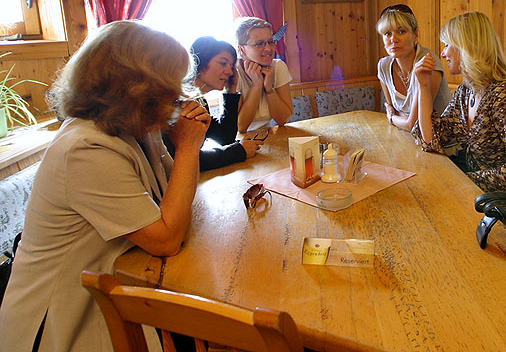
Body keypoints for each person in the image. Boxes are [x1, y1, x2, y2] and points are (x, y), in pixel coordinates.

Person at [0, 21, 210, 351]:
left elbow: (177, 189)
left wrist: (185, 145)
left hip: (116, 288)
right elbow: (166, 239)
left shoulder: (137, 127)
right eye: (170, 83)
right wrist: (187, 147)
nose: (180, 95)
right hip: (65, 318)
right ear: (138, 87)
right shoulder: (84, 148)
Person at [413, 11, 506, 193]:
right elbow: (432, 139)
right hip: (476, 192)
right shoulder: (466, 91)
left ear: (466, 47)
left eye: (448, 44)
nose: (442, 53)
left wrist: (461, 179)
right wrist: (423, 87)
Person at [164, 36, 262, 171]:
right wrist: (239, 151)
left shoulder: (198, 99)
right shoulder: (178, 100)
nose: (229, 72)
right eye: (223, 63)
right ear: (200, 61)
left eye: (231, 66)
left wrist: (230, 91)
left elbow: (225, 137)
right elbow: (184, 159)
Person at [376, 4, 451, 131]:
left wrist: (391, 118)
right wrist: (398, 117)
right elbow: (392, 109)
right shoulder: (383, 66)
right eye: (388, 33)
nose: (393, 39)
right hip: (406, 137)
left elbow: (413, 124)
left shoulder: (427, 62)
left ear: (415, 35)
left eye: (401, 31)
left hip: (441, 142)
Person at [234, 17, 293, 132]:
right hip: (237, 140)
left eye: (270, 42)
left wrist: (269, 89)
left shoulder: (278, 67)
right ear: (242, 50)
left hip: (267, 134)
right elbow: (240, 127)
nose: (268, 49)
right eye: (259, 44)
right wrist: (257, 85)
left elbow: (282, 119)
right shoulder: (233, 73)